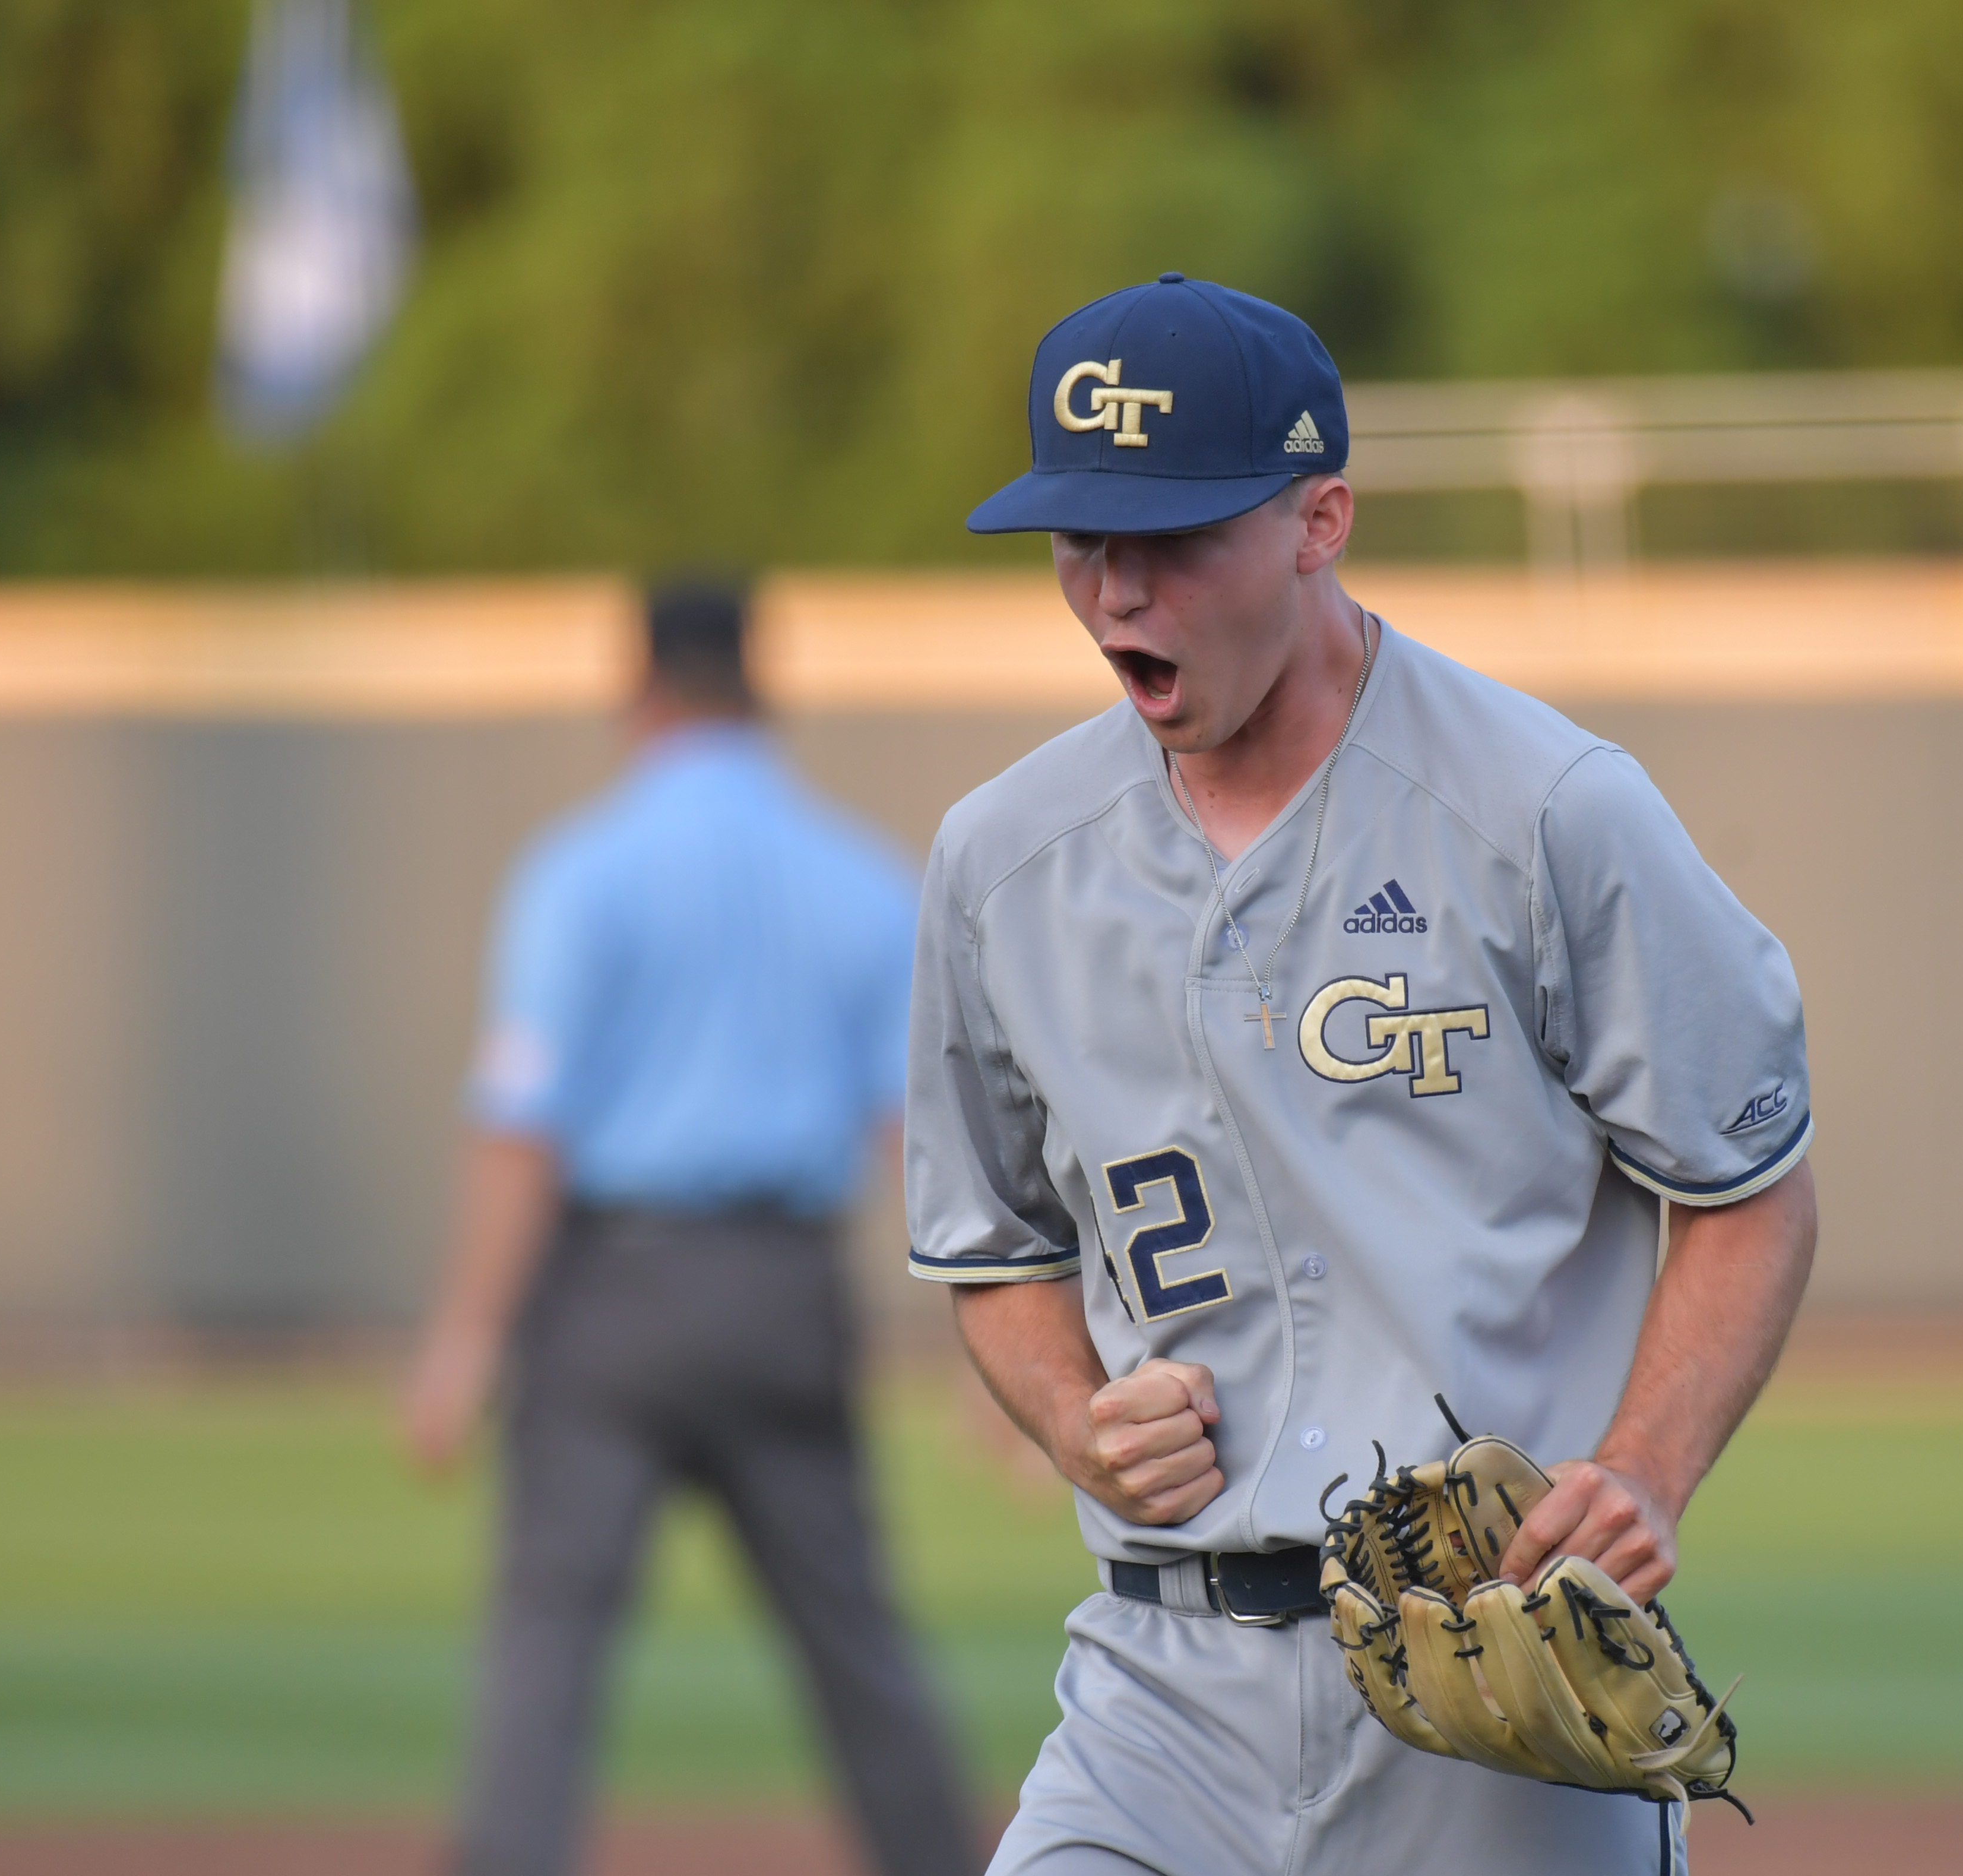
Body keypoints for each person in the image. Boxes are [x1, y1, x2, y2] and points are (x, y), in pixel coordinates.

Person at [905, 275, 1819, 1876]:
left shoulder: (1545, 813)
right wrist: (1069, 1417)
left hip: (1487, 1701)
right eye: (1075, 540)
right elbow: (994, 1257)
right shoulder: (1000, 866)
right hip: (1155, 1698)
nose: (1115, 589)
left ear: (1319, 518)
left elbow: (1748, 1195)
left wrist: (1642, 1469)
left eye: (1172, 537)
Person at [403, 578, 979, 1876]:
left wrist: (463, 1339)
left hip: (613, 1290)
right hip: (781, 1287)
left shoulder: (581, 868)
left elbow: (520, 1125)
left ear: (641, 695)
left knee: (549, 1639)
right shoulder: (858, 874)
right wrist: (990, 1357)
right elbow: (918, 1137)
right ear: (760, 692)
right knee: (855, 1639)